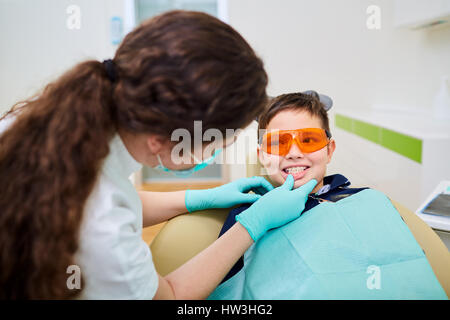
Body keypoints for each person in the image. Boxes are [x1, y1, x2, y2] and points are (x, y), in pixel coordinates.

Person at [0, 11, 316, 299]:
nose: (219, 152)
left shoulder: (41, 122)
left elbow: (100, 198)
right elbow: (170, 296)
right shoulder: (105, 229)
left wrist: (197, 198)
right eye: (219, 142)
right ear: (160, 140)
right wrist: (252, 224)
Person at [212, 92, 447, 299]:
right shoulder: (247, 216)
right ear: (262, 156)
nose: (294, 153)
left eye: (309, 140)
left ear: (329, 149)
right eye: (278, 143)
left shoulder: (370, 200)